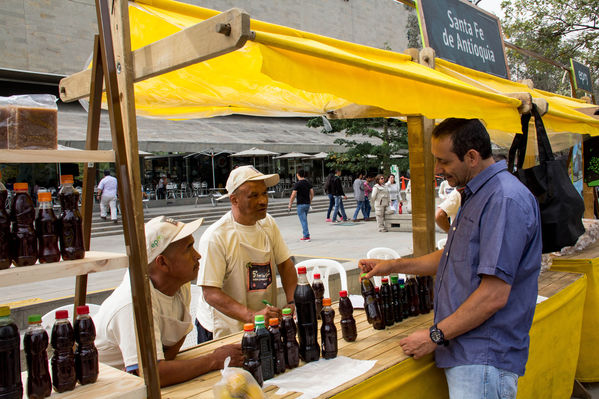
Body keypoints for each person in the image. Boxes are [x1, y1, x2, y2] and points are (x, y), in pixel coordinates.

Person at [358, 118, 542, 399]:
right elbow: (452, 257)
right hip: (466, 350)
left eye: (443, 161)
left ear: (471, 157)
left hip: (484, 356)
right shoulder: (476, 194)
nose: (437, 170)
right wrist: (393, 266)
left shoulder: (503, 199)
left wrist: (434, 335)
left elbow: (493, 294)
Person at [94, 216, 242, 387]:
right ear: (162, 262)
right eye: (188, 249)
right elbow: (153, 374)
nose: (198, 255)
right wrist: (214, 360)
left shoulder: (180, 285)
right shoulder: (133, 304)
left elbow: (170, 350)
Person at [195, 166, 298, 342]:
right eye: (254, 196)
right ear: (234, 200)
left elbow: (285, 264)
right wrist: (252, 316)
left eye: (264, 193)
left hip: (261, 324)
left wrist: (293, 301)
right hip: (223, 327)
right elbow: (210, 293)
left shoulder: (268, 224)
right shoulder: (216, 237)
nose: (263, 201)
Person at [288, 169, 314, 241]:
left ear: (297, 175)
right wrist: (310, 201)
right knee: (304, 219)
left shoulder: (298, 184)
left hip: (300, 204)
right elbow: (312, 193)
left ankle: (306, 236)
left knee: (303, 220)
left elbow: (293, 195)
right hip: (307, 204)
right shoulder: (308, 183)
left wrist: (290, 204)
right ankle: (305, 234)